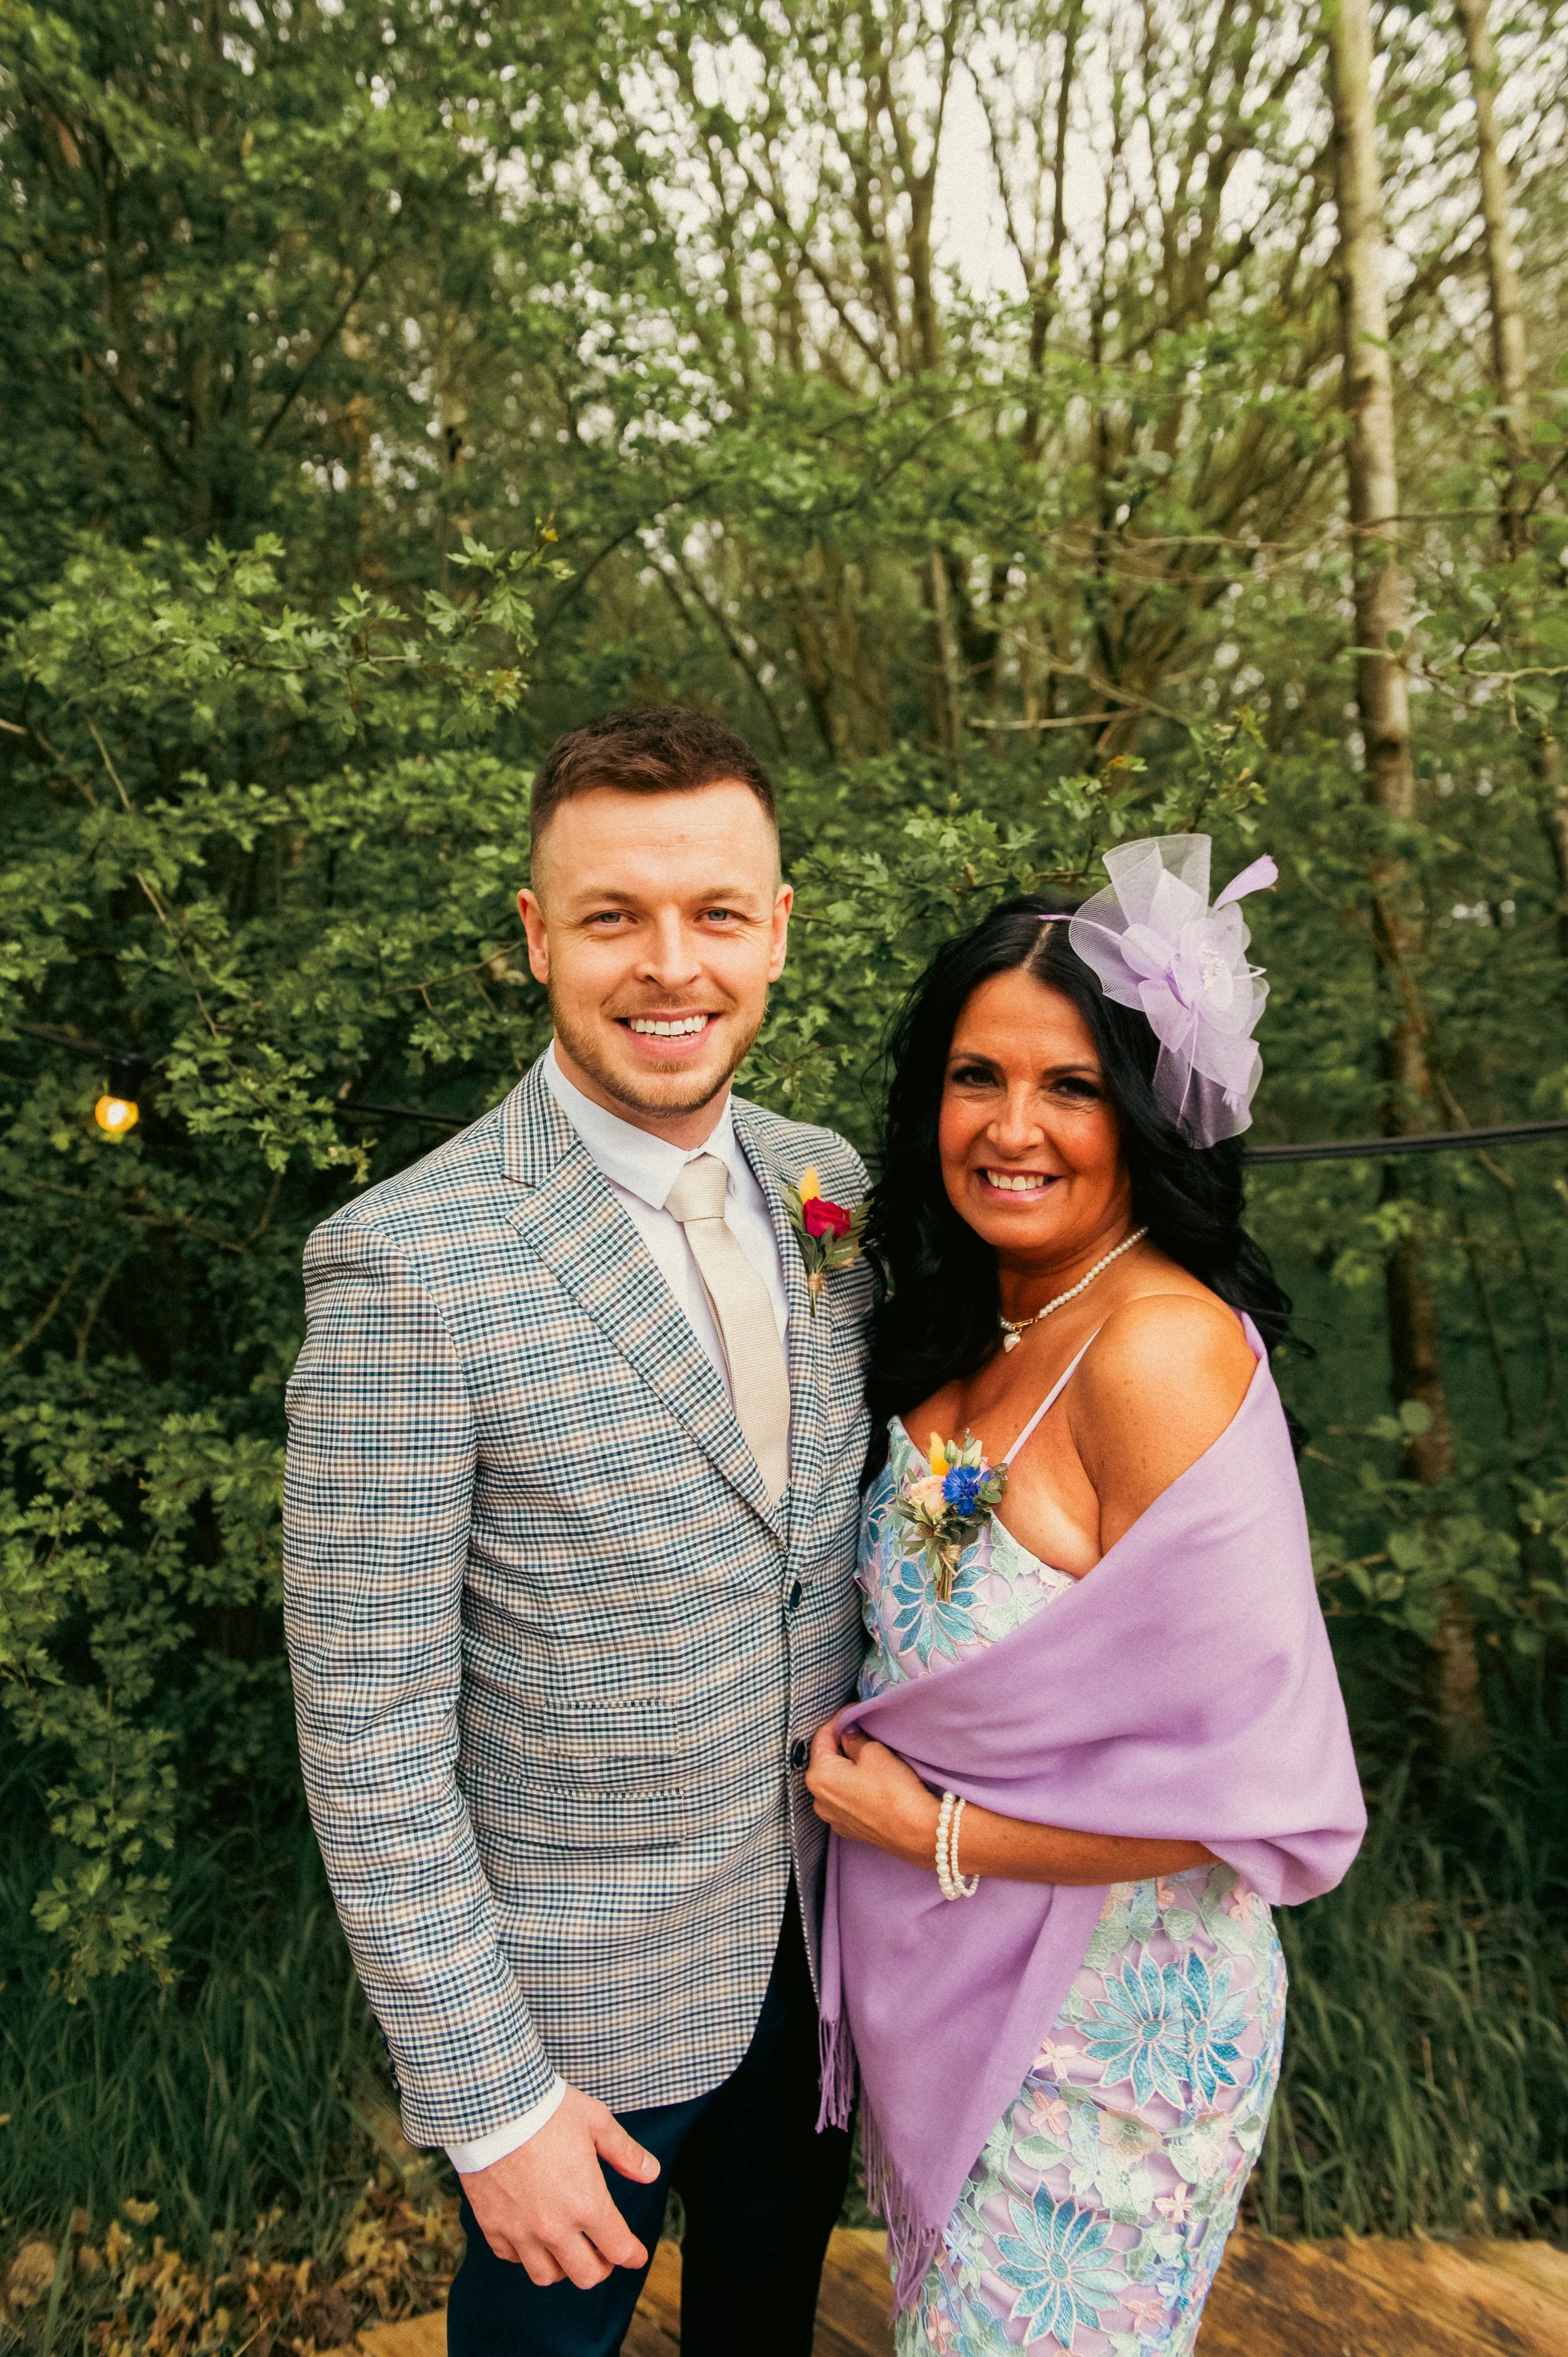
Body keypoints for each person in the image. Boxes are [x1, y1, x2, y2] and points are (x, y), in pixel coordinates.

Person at [283, 706, 872, 2357]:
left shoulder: (831, 1192)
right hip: (567, 2037)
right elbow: (369, 1734)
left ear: (776, 932)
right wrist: (490, 2104)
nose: (666, 963)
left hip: (820, 1967)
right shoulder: (406, 1267)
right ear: (537, 937)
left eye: (714, 913)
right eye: (612, 914)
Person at [807, 839, 1365, 2356]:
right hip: (966, 2005)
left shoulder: (1157, 1353)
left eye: (1067, 1087)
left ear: (1144, 1113)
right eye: (974, 1076)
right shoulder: (968, 1327)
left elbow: (1260, 1789)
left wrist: (932, 1832)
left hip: (1114, 2034)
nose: (1010, 1128)